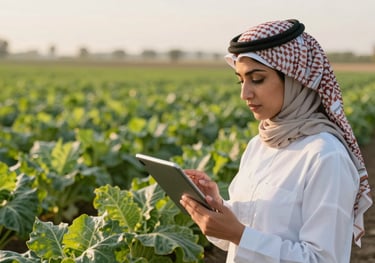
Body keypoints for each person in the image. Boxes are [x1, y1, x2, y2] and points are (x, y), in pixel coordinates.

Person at [179, 19, 373, 262]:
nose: (244, 94)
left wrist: (239, 235)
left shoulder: (326, 156)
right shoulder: (258, 145)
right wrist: (216, 207)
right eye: (241, 80)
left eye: (257, 79)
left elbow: (323, 259)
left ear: (295, 80)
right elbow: (245, 233)